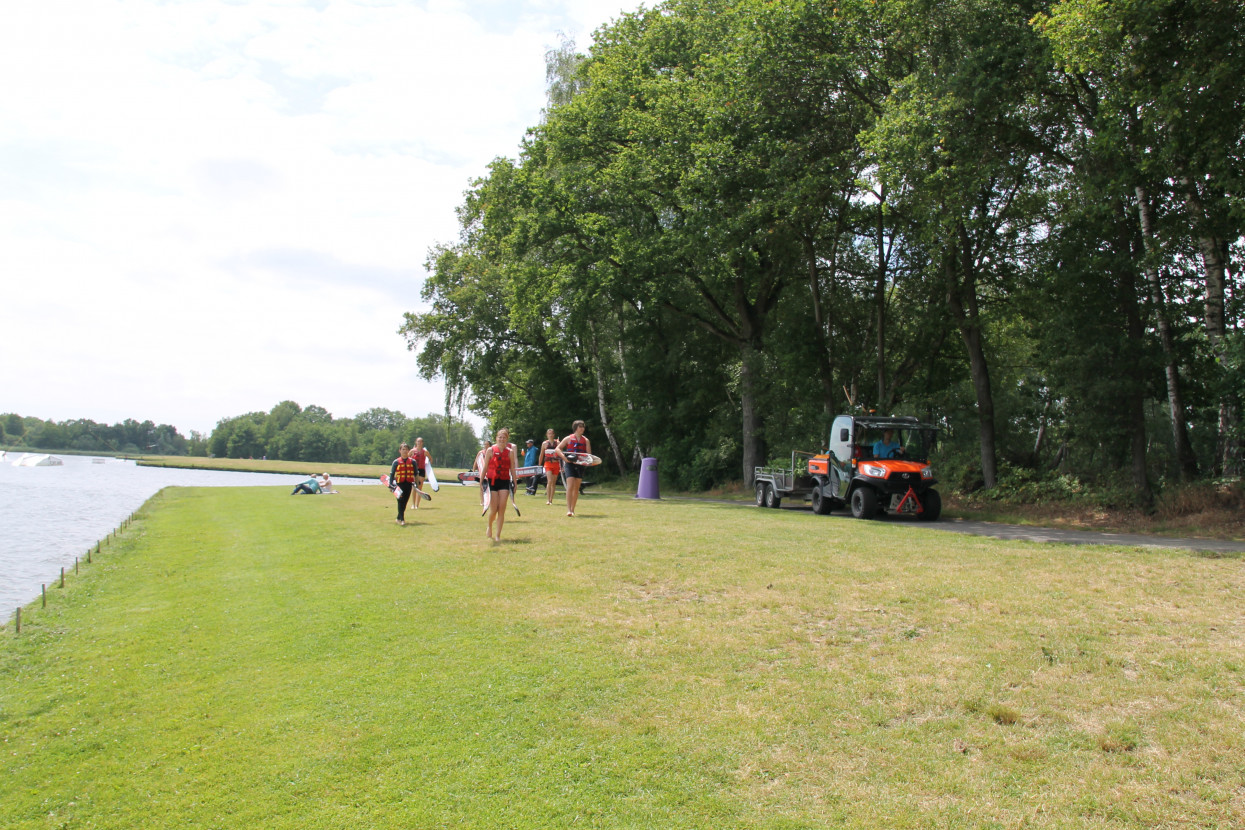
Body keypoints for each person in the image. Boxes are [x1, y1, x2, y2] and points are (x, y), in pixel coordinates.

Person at [483, 427, 519, 543]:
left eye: (504, 438)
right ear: (496, 438)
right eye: (500, 437)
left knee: (502, 509)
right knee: (494, 509)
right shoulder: (490, 450)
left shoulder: (510, 452)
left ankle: (498, 535)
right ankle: (489, 526)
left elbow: (512, 468)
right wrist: (481, 482)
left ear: (507, 439)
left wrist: (515, 481)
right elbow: (485, 466)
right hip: (492, 481)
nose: (502, 439)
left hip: (504, 481)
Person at [556, 420, 591, 517]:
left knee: (576, 487)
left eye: (583, 427)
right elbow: (557, 449)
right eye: (580, 427)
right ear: (576, 428)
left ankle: (573, 509)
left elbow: (589, 455)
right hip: (569, 464)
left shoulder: (586, 440)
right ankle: (568, 510)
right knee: (570, 485)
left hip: (580, 465)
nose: (582, 429)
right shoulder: (568, 438)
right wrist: (564, 459)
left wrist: (586, 462)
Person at [389, 443, 416, 525]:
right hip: (399, 484)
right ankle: (402, 519)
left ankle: (398, 518)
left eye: (406, 449)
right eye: (403, 449)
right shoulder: (396, 462)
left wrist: (417, 484)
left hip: (408, 484)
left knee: (405, 502)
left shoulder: (413, 462)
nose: (404, 451)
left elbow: (416, 474)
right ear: (400, 451)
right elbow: (392, 474)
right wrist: (390, 485)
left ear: (409, 451)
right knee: (400, 501)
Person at [410, 437, 432, 510]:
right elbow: (406, 457)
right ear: (416, 442)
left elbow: (430, 459)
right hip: (414, 470)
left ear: (422, 443)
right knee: (414, 487)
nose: (419, 443)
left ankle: (417, 505)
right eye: (418, 441)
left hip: (422, 470)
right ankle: (413, 504)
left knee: (419, 488)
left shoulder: (425, 452)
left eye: (420, 442)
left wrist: (428, 466)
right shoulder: (412, 451)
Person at [539, 429, 561, 505]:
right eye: (549, 434)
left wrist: (562, 465)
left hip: (556, 464)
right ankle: (548, 499)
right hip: (548, 464)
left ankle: (551, 499)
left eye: (552, 434)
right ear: (547, 435)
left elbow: (561, 454)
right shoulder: (544, 444)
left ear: (554, 434)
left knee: (553, 482)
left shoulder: (558, 443)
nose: (550, 435)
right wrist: (539, 465)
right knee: (550, 481)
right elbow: (541, 454)